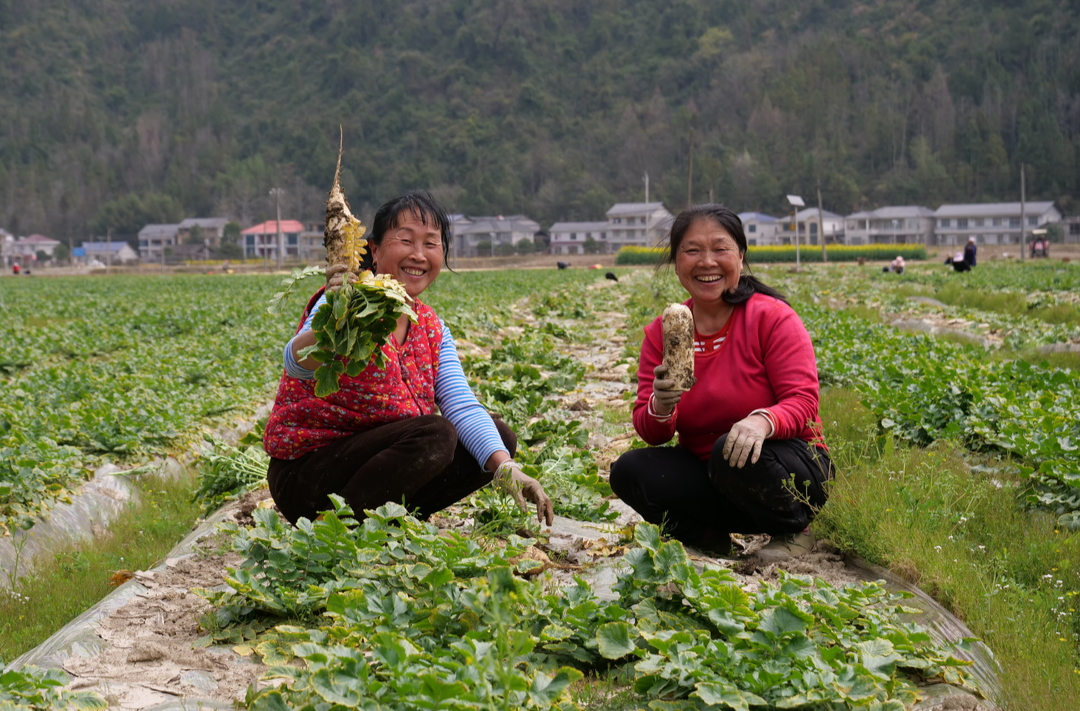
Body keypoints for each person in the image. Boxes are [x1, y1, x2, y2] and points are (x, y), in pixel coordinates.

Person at [263, 191, 553, 527]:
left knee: (498, 440)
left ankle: (387, 522)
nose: (418, 255)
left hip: (377, 470)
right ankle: (341, 530)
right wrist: (337, 321)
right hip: (310, 477)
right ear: (373, 249)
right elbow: (296, 363)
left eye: (431, 243)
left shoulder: (431, 327)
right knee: (436, 433)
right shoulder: (348, 301)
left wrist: (507, 469)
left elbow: (460, 404)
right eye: (406, 240)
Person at [609, 204, 833, 562]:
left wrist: (761, 421)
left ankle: (794, 529)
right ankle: (708, 536)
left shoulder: (771, 317)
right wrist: (662, 404)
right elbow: (653, 432)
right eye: (692, 251)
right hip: (715, 478)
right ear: (677, 262)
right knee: (630, 471)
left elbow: (803, 402)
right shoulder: (661, 333)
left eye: (720, 249)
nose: (707, 261)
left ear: (740, 257)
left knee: (730, 452)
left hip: (787, 469)